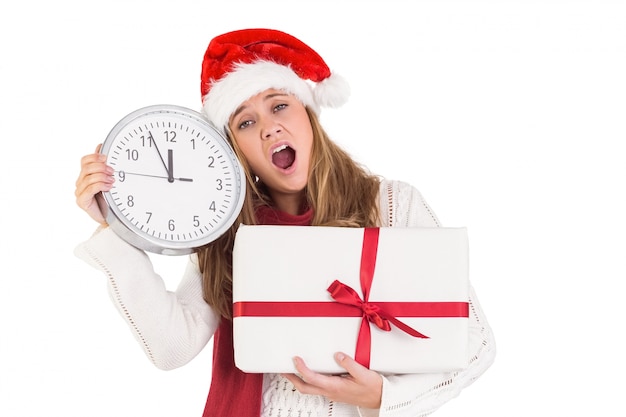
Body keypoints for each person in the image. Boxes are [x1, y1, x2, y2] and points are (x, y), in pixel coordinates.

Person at [75, 28, 496, 417]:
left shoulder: (391, 206)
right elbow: (172, 347)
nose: (268, 128)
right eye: (245, 121)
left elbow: (475, 346)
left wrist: (383, 396)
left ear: (309, 115)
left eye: (279, 105)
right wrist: (116, 228)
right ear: (233, 148)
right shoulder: (228, 230)